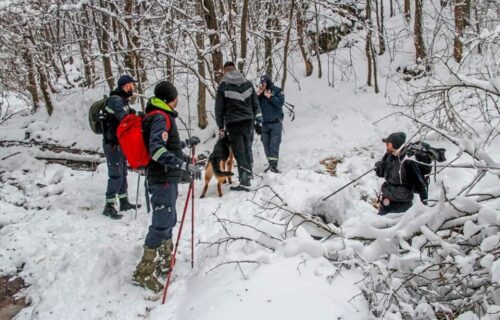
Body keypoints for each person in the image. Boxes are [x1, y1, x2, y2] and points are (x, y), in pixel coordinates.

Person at [132, 80, 201, 293]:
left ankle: (164, 260)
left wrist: (185, 143)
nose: (177, 100)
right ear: (168, 99)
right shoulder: (161, 117)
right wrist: (183, 165)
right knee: (161, 223)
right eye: (175, 97)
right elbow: (157, 150)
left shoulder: (160, 116)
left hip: (166, 178)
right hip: (161, 178)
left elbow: (168, 144)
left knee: (169, 218)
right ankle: (143, 272)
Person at [215, 62, 262, 191]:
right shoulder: (247, 83)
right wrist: (258, 120)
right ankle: (248, 174)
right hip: (248, 121)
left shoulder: (223, 86)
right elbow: (255, 103)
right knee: (247, 148)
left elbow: (219, 108)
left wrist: (220, 125)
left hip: (233, 123)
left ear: (225, 71)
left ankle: (245, 181)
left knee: (239, 152)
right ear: (235, 70)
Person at [101, 74, 141, 220]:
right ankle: (109, 205)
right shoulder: (114, 100)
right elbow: (125, 118)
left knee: (123, 171)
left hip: (121, 143)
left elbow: (129, 114)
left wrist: (139, 115)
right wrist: (136, 120)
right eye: (132, 85)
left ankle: (124, 201)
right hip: (112, 144)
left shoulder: (122, 100)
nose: (133, 88)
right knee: (115, 174)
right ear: (125, 86)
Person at [375, 132, 428, 215]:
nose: (386, 146)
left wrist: (425, 205)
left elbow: (420, 183)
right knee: (380, 224)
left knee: (397, 227)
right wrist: (379, 167)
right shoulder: (389, 156)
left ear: (395, 145)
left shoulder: (408, 161)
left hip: (402, 205)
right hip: (386, 201)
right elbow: (383, 174)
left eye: (388, 144)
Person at [255, 74, 285, 173]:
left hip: (276, 123)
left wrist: (270, 96)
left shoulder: (277, 90)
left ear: (268, 82)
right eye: (262, 82)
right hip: (265, 124)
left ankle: (274, 166)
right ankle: (270, 163)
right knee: (266, 144)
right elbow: (254, 105)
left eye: (264, 82)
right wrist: (257, 96)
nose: (263, 84)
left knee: (274, 145)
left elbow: (280, 103)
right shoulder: (261, 93)